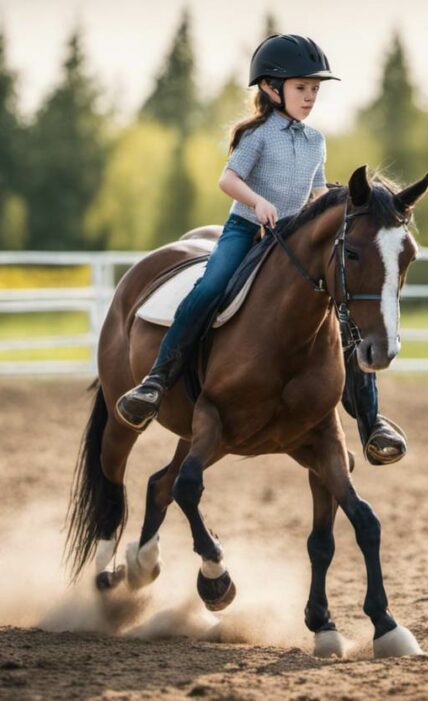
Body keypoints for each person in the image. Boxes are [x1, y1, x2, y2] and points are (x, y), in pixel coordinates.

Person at [116, 33, 407, 465]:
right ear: (271, 89)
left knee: (340, 315)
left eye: (314, 90)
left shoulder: (315, 141)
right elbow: (227, 180)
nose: (310, 97)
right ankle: (156, 381)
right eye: (301, 88)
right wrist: (256, 201)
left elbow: (313, 191)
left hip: (289, 239)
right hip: (245, 228)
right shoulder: (257, 135)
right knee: (210, 287)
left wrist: (335, 206)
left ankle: (372, 420)